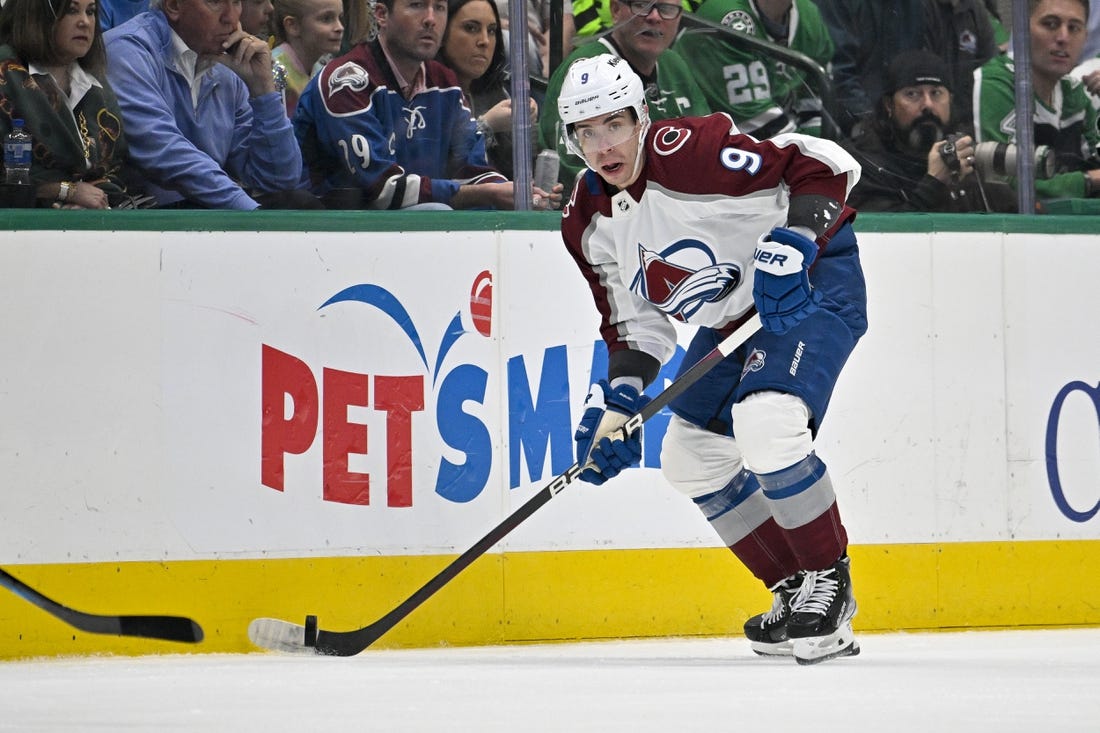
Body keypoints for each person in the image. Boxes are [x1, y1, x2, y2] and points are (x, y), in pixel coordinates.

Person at [557, 54, 867, 664]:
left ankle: (830, 584)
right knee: (691, 458)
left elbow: (827, 165)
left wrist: (795, 243)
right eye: (584, 132)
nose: (602, 145)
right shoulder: (588, 221)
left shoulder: (689, 152)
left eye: (614, 124)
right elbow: (636, 326)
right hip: (733, 317)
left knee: (769, 424)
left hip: (810, 284)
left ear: (641, 118)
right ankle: (794, 585)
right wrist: (616, 405)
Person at [295, 0, 558, 209]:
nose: (431, 19)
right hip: (329, 229)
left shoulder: (444, 81)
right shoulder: (347, 81)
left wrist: (518, 193)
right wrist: (487, 193)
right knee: (441, 211)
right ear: (382, 15)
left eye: (440, 7)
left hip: (406, 225)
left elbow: (471, 166)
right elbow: (384, 191)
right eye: (417, 5)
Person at [104, 0, 319, 209]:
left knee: (298, 201)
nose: (232, 18)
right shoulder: (127, 50)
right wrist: (250, 212)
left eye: (236, 2)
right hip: (137, 220)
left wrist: (263, 91)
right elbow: (163, 152)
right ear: (174, 6)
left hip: (203, 213)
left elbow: (279, 181)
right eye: (215, 2)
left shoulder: (225, 65)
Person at [538, 0, 709, 188]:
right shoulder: (583, 73)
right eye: (642, 5)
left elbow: (707, 143)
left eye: (666, 9)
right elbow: (574, 169)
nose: (654, 17)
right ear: (615, 10)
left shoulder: (674, 63)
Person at [842, 49, 1014, 212]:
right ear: (889, 105)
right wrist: (934, 183)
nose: (928, 105)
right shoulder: (863, 166)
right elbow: (885, 237)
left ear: (950, 100)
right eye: (912, 94)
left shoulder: (966, 158)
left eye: (936, 93)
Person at [0, 0, 131, 208]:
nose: (85, 22)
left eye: (90, 12)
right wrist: (64, 192)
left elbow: (117, 168)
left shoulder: (96, 85)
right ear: (37, 14)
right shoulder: (5, 75)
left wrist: (94, 198)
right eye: (71, 11)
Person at [973, 0, 1100, 201]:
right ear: (1022, 28)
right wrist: (1087, 180)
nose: (1063, 38)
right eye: (1050, 24)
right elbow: (1006, 185)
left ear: (1086, 36)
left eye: (1074, 28)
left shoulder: (1075, 93)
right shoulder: (995, 83)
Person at [814, 0, 997, 136]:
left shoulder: (914, 5)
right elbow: (839, 74)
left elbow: (913, 70)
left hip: (898, 122)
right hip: (853, 126)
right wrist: (870, 122)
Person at [673, 0, 834, 138]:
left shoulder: (809, 14)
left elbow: (815, 100)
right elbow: (755, 126)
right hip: (703, 141)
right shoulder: (725, 17)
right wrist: (815, 155)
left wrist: (824, 146)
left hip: (772, 137)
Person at [439, 0, 539, 179]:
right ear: (442, 32)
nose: (484, 41)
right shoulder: (426, 90)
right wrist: (486, 126)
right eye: (471, 28)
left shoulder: (498, 90)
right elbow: (438, 172)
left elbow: (523, 173)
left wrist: (526, 124)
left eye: (492, 31)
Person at [271, 0, 344, 116]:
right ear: (292, 26)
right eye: (326, 19)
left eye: (340, 18)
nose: (340, 27)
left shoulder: (322, 69)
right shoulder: (274, 68)